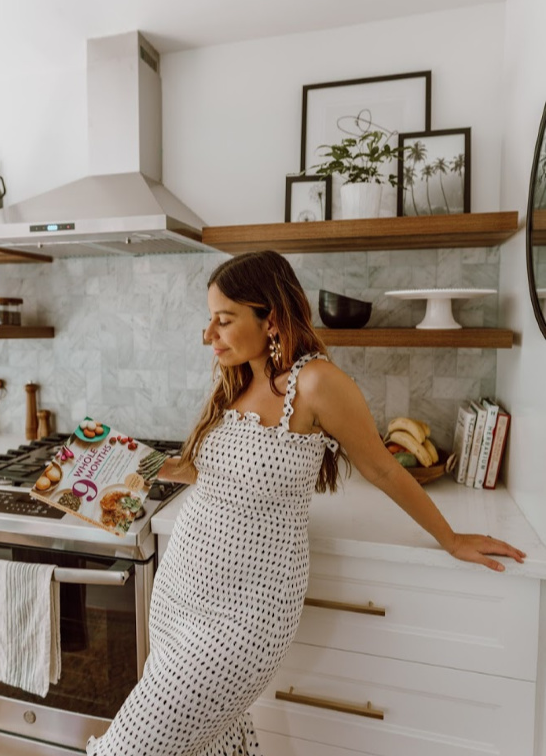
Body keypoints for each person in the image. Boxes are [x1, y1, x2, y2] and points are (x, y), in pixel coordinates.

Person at [87, 250, 525, 756]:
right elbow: (204, 469)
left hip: (243, 619)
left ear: (270, 316)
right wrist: (122, 461)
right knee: (211, 744)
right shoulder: (237, 382)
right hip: (178, 599)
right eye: (210, 320)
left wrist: (450, 538)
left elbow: (381, 467)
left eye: (224, 321)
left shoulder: (316, 383)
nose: (209, 335)